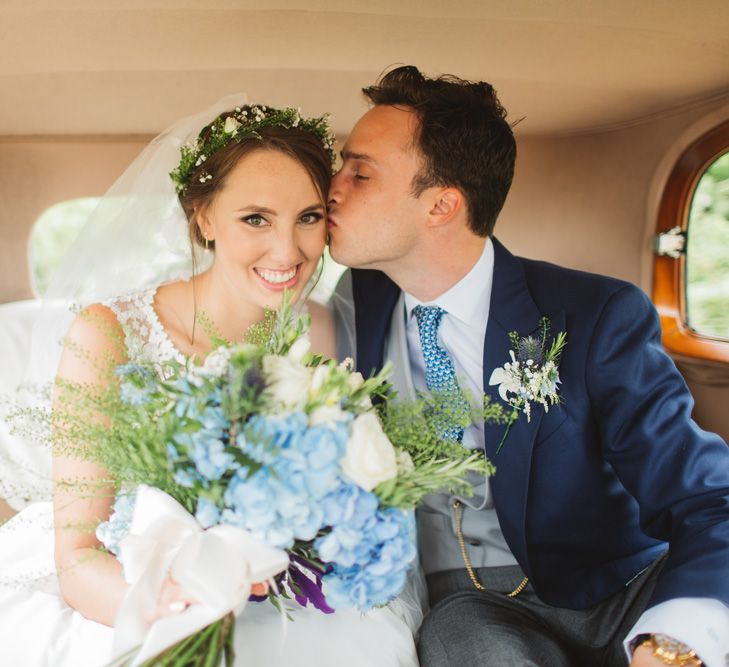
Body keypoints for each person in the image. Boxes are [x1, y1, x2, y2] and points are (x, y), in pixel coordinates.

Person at [329, 65, 729, 667]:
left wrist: (674, 640)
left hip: (620, 586)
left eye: (359, 173)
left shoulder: (595, 315)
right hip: (470, 608)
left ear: (441, 204)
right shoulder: (344, 308)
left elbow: (706, 498)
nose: (330, 188)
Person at [0, 98, 421, 666]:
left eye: (309, 217)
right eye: (255, 219)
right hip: (122, 578)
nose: (287, 250)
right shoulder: (106, 334)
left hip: (273, 581)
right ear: (204, 219)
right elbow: (77, 556)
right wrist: (170, 606)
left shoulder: (317, 327)